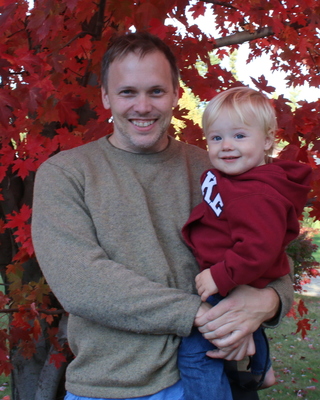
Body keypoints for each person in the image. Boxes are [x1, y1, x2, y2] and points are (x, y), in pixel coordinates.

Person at [31, 32, 294, 400]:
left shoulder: (216, 167)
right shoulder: (67, 174)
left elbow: (268, 244)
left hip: (221, 371)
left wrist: (269, 302)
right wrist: (200, 315)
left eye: (156, 91)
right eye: (127, 92)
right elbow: (82, 282)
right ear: (106, 97)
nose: (143, 106)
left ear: (174, 94)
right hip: (118, 386)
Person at [179, 86, 312, 399]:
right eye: (216, 138)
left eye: (239, 136)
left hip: (230, 277)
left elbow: (259, 250)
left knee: (195, 353)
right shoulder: (239, 180)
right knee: (238, 327)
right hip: (236, 278)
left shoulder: (255, 194)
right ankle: (261, 367)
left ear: (267, 140)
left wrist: (220, 275)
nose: (226, 146)